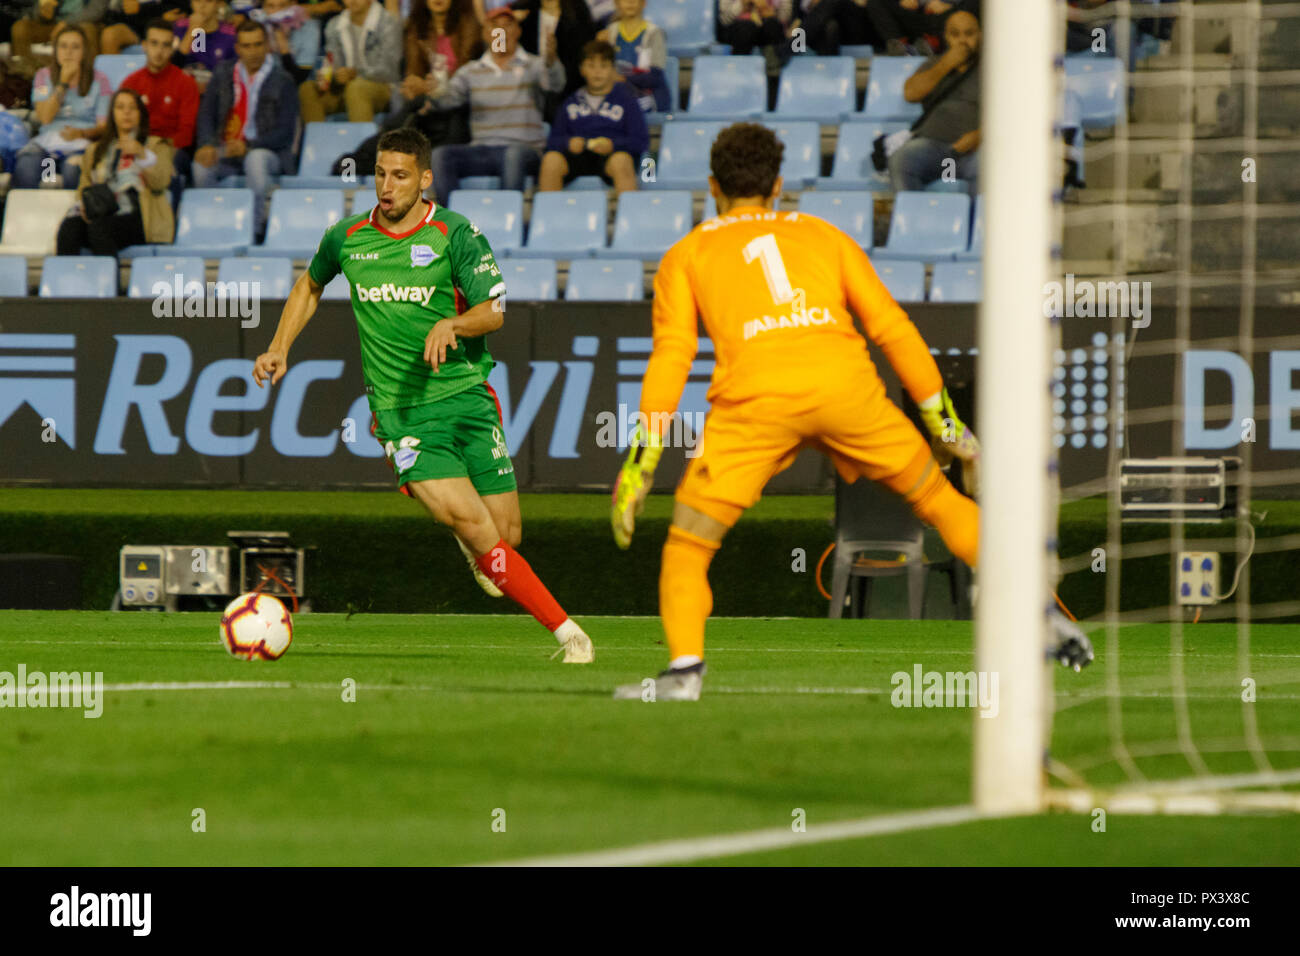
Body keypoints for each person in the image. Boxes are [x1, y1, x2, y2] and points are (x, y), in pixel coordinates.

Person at [609, 123, 1093, 700]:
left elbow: (672, 358)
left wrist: (641, 462)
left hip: (757, 401)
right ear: (779, 185)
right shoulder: (824, 235)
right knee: (941, 502)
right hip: (846, 390)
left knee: (689, 545)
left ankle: (685, 673)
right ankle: (1038, 610)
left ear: (713, 186)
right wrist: (945, 423)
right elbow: (891, 328)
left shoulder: (685, 255)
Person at [252, 127, 595, 664]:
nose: (386, 187)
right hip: (401, 410)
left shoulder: (455, 234)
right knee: (477, 528)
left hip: (467, 397)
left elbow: (494, 312)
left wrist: (454, 325)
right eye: (380, 175)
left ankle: (471, 540)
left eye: (400, 176)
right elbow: (311, 285)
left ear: (425, 179)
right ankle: (568, 632)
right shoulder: (346, 238)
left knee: (505, 538)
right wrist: (278, 346)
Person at [425, 1, 564, 205]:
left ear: (517, 31)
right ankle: (454, 226)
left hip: (524, 149)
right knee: (440, 156)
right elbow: (448, 100)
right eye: (494, 26)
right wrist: (435, 91)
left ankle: (505, 219)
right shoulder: (471, 70)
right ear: (484, 33)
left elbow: (556, 84)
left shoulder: (533, 65)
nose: (501, 31)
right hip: (482, 149)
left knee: (512, 155)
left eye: (507, 25)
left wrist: (551, 61)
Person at [193, 19, 300, 238]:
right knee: (200, 167)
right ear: (237, 48)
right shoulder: (223, 73)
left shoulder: (283, 80)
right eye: (247, 46)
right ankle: (219, 229)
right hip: (227, 148)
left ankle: (253, 232)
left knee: (256, 161)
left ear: (267, 46)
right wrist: (207, 145)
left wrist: (249, 145)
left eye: (258, 44)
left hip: (267, 151)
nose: (253, 52)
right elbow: (206, 114)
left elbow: (285, 132)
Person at [57, 87, 175, 255]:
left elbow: (161, 182)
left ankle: (109, 281)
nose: (126, 112)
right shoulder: (95, 150)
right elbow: (84, 186)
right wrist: (83, 205)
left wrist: (142, 155)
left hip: (139, 216)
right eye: (120, 107)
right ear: (112, 114)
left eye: (132, 108)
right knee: (70, 227)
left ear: (141, 113)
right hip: (103, 211)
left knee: (99, 228)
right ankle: (68, 281)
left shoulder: (156, 146)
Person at [889, 7, 980, 193]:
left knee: (990, 167)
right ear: (946, 37)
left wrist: (980, 136)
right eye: (955, 34)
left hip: (975, 151)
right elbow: (911, 94)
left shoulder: (994, 68)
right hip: (933, 147)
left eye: (969, 33)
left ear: (980, 35)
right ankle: (913, 219)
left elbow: (1011, 115)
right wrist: (947, 63)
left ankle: (976, 221)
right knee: (901, 160)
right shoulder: (934, 64)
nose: (962, 40)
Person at [539, 39, 645, 193]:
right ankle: (549, 216)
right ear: (582, 69)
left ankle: (629, 215)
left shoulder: (627, 101)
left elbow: (641, 142)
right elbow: (553, 141)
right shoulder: (570, 102)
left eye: (603, 66)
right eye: (591, 66)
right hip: (576, 157)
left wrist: (613, 145)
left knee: (622, 160)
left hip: (612, 157)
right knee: (550, 160)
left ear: (613, 70)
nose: (597, 72)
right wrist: (568, 143)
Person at [11, 24, 110, 189]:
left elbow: (104, 126)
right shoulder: (43, 76)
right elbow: (45, 117)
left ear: (84, 52)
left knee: (72, 172)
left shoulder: (100, 80)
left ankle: (73, 214)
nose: (68, 52)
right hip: (48, 148)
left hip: (80, 146)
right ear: (55, 50)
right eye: (63, 46)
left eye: (75, 47)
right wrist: (63, 83)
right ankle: (38, 212)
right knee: (27, 169)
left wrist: (82, 133)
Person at [121, 18, 200, 182]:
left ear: (172, 48)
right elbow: (120, 125)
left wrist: (159, 152)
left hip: (172, 149)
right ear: (144, 45)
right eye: (154, 43)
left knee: (168, 164)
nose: (159, 51)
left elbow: (186, 132)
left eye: (166, 45)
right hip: (137, 147)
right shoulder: (131, 83)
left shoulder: (186, 84)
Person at [299, 0, 403, 123]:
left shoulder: (388, 22)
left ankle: (364, 142)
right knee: (307, 89)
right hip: (346, 87)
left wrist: (355, 73)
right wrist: (333, 76)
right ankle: (317, 141)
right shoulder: (334, 25)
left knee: (356, 88)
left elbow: (389, 71)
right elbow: (331, 62)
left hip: (384, 88)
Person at [512, 0, 595, 104]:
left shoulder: (578, 11)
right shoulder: (520, 9)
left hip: (569, 95)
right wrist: (507, 24)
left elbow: (587, 51)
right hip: (528, 96)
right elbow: (496, 47)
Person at [600, 0, 668, 114]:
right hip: (616, 96)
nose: (630, 2)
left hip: (647, 98)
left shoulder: (654, 33)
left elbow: (656, 76)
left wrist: (623, 79)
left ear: (644, 3)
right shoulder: (608, 34)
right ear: (616, 3)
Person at [172, 0, 239, 91]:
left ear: (218, 4)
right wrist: (192, 30)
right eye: (198, 1)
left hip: (216, 95)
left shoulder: (230, 35)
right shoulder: (179, 28)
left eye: (208, 1)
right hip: (182, 92)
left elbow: (234, 76)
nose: (202, 6)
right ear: (191, 3)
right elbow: (173, 67)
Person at [99, 0, 188, 55]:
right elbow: (122, 13)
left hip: (165, 26)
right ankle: (114, 84)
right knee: (110, 35)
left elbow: (177, 10)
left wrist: (141, 9)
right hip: (135, 27)